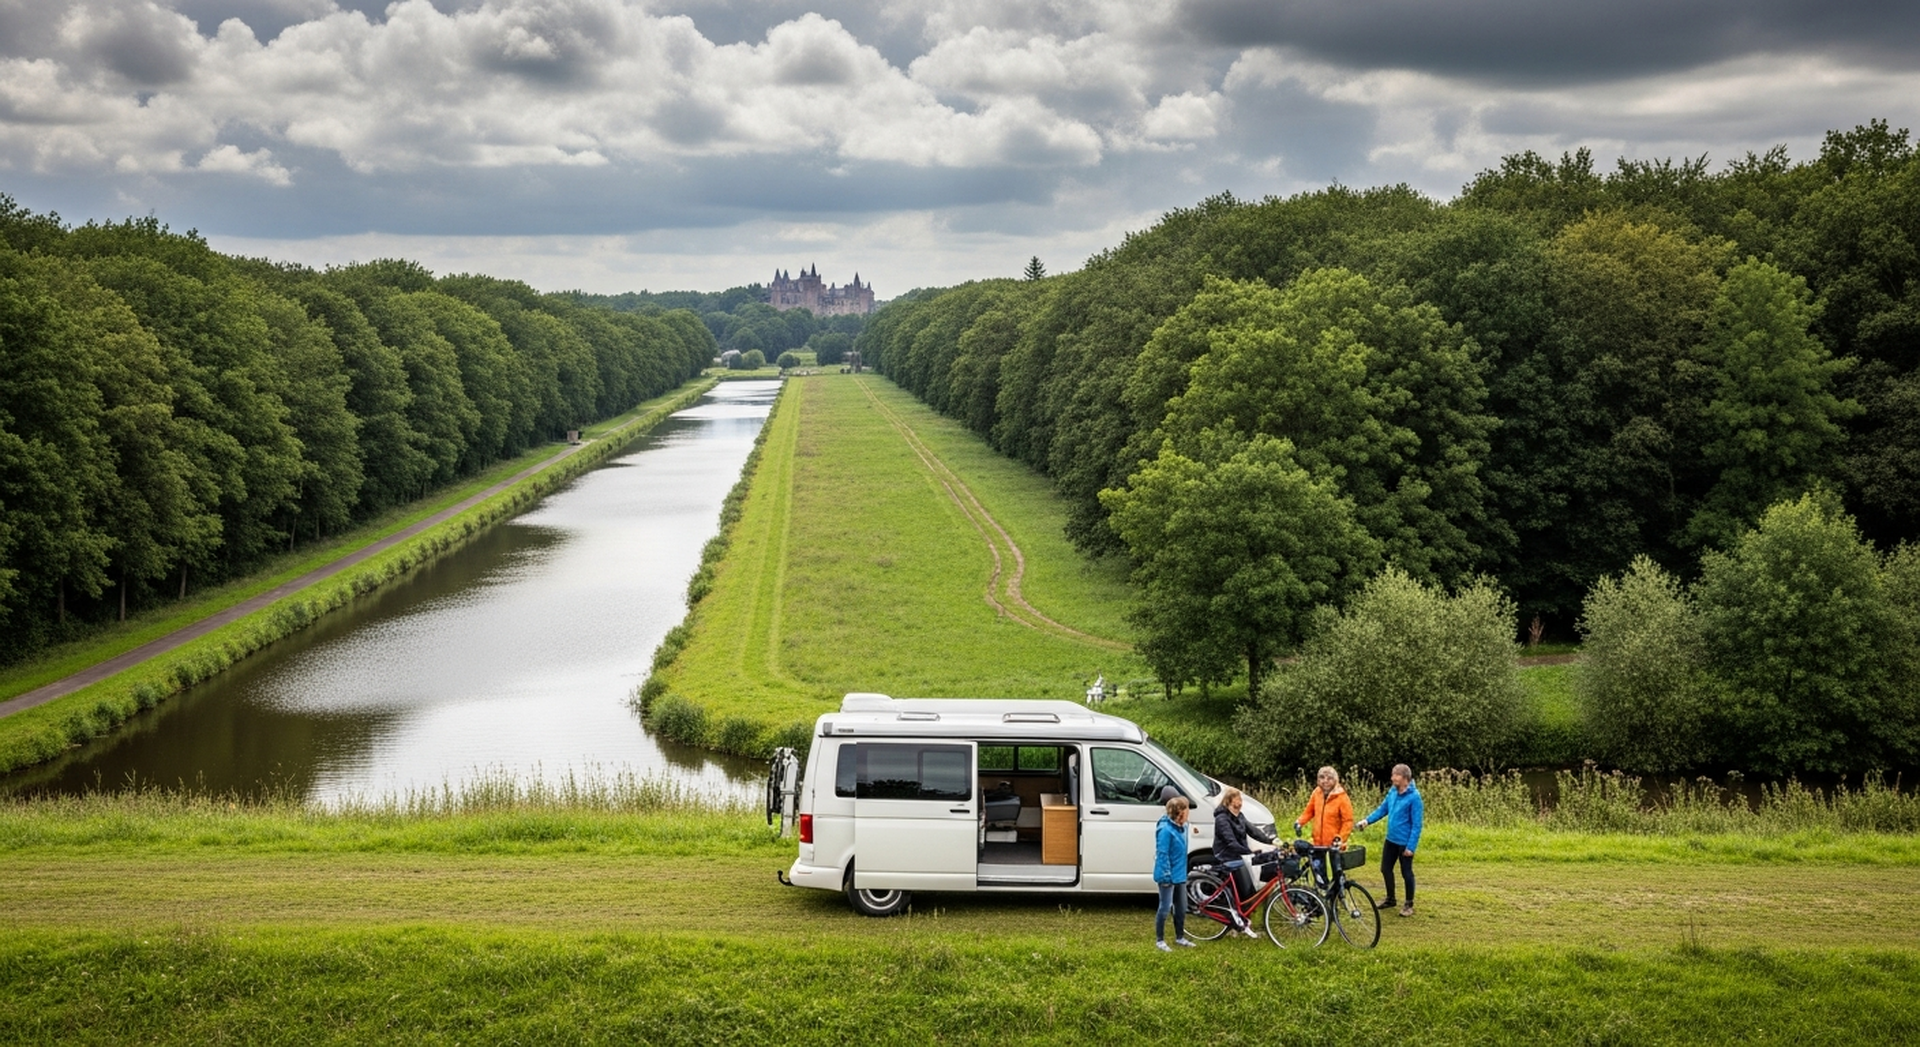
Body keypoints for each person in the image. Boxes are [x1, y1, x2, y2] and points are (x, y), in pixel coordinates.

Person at [1355, 763, 1424, 917]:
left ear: (1405, 778)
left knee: (1406, 873)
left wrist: (1411, 847)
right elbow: (1382, 809)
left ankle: (1408, 904)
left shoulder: (1414, 797)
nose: (1392, 777)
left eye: (1396, 775)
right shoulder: (1392, 792)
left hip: (1404, 843)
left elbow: (1417, 825)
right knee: (1385, 869)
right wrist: (1367, 821)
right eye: (1393, 774)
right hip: (1391, 840)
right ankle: (1390, 899)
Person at [1210, 787, 1266, 938]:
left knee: (1248, 891)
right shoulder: (1222, 819)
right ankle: (1236, 923)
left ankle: (1243, 920)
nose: (1240, 803)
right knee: (1240, 891)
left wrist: (1270, 840)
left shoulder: (1239, 816)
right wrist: (1248, 852)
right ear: (1229, 801)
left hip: (1240, 855)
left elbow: (1253, 831)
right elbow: (1230, 842)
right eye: (1237, 799)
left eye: (1240, 799)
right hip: (1227, 856)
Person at [1293, 766, 1354, 881]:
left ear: (1335, 780)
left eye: (1329, 778)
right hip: (1318, 841)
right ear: (1317, 780)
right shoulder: (1317, 793)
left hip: (1334, 842)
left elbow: (1348, 821)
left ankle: (1337, 896)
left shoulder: (1341, 797)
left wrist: (1340, 838)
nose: (1325, 781)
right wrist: (1299, 822)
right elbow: (1309, 811)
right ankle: (1321, 895)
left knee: (1337, 872)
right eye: (1322, 777)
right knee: (1319, 873)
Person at [1153, 795, 1197, 950]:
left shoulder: (1183, 827)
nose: (1188, 815)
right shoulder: (1165, 830)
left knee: (1181, 907)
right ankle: (1160, 940)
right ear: (1180, 813)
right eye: (1186, 811)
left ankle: (1180, 937)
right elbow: (1162, 854)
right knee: (1165, 907)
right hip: (1167, 875)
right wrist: (1166, 876)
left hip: (1180, 875)